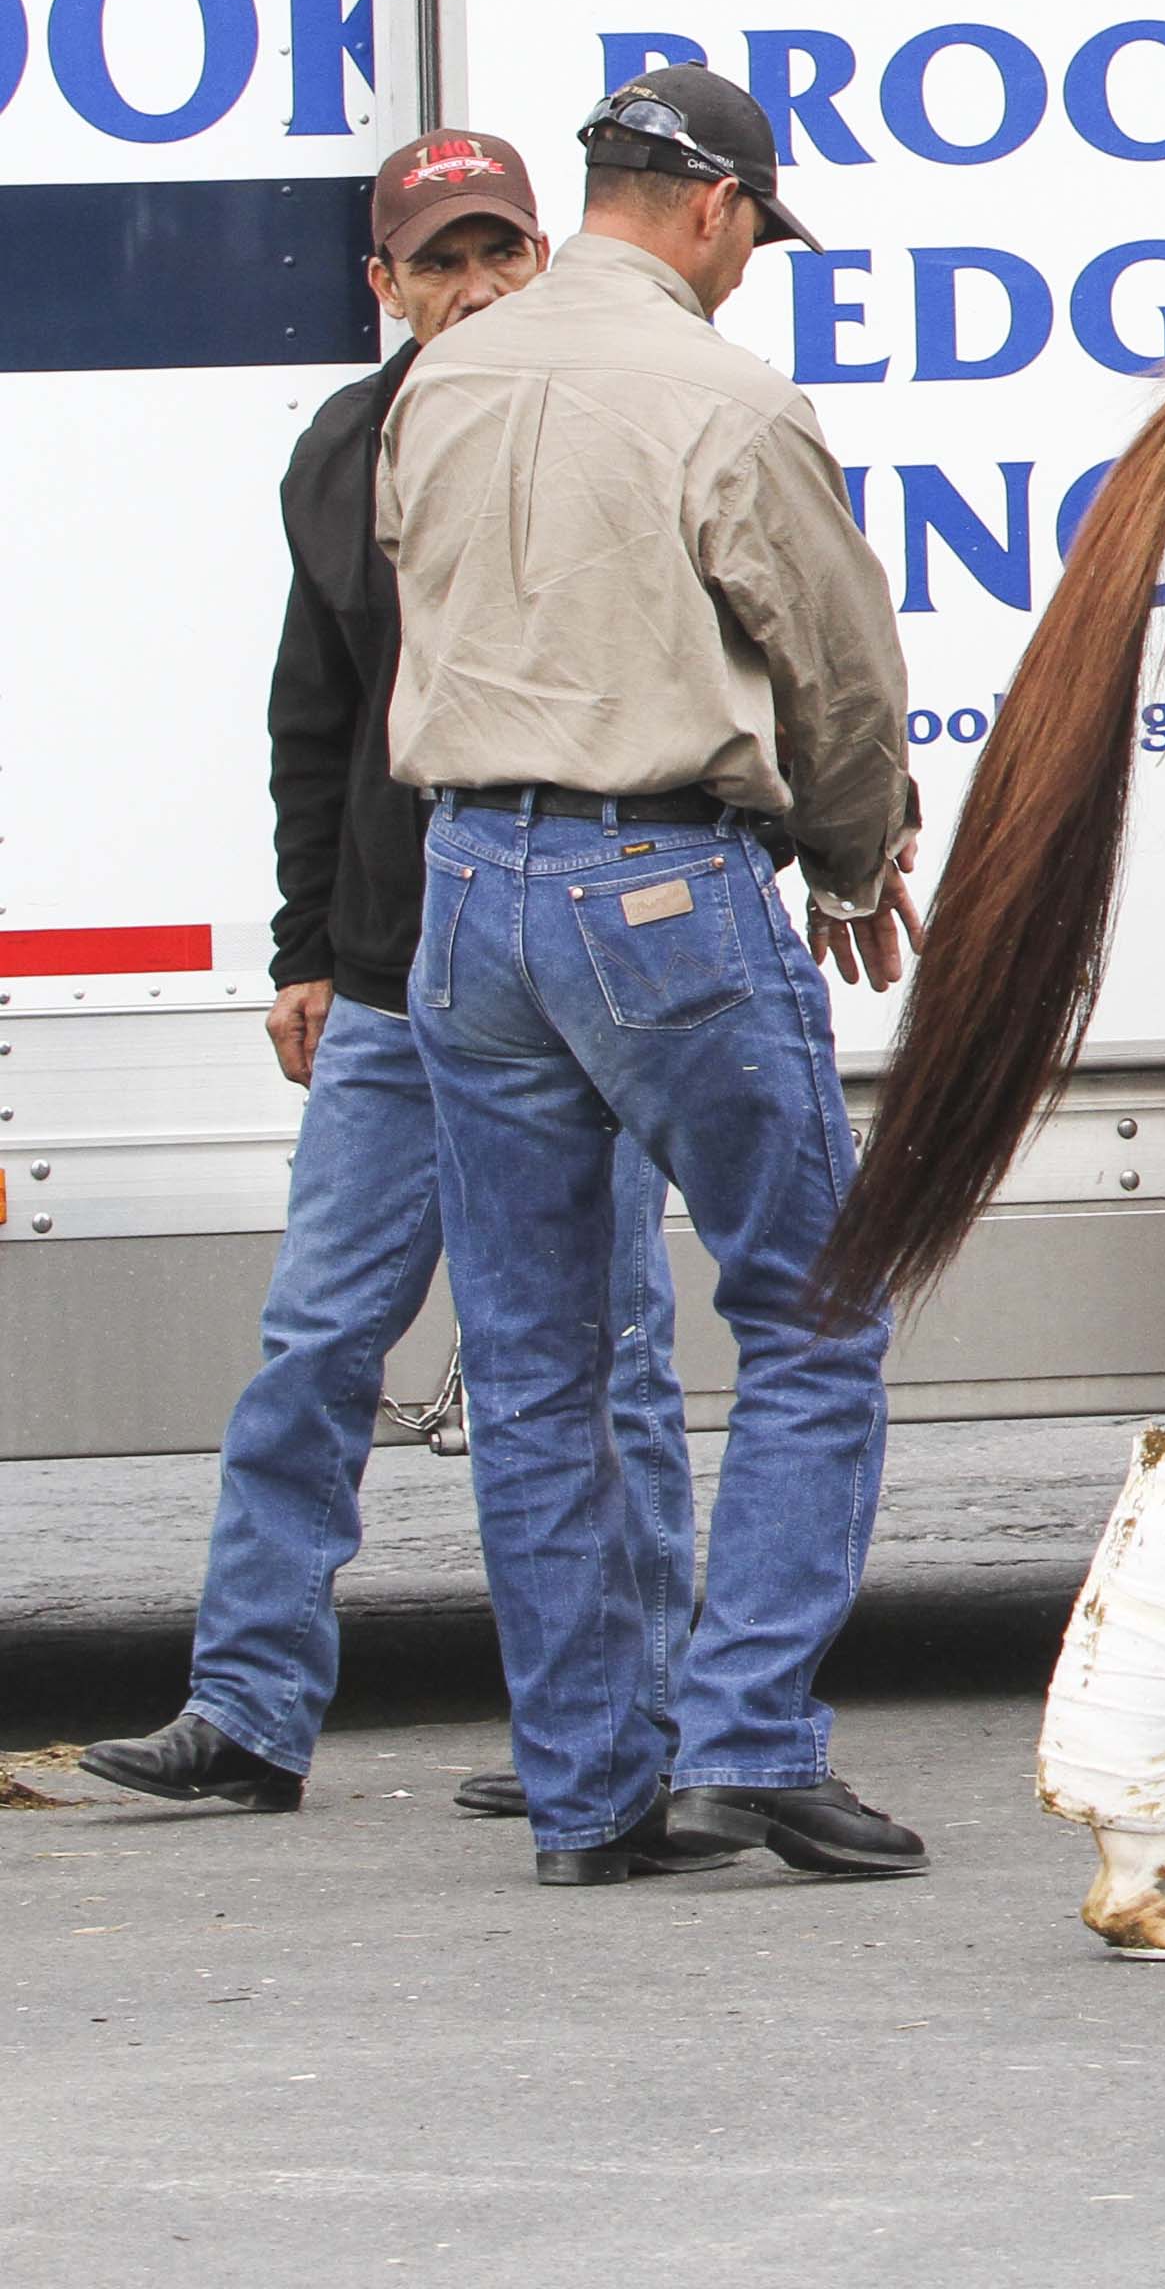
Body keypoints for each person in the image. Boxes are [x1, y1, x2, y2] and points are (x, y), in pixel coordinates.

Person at [78, 136, 698, 1823]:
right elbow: (315, 717)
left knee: (605, 1351)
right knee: (314, 1347)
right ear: (385, 288)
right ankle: (246, 1712)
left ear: (547, 259)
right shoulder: (341, 448)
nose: (474, 285)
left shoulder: (609, 422)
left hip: (566, 965)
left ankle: (619, 1724)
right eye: (440, 262)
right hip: (385, 973)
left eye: (501, 252)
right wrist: (300, 947)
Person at [382, 64, 926, 1887]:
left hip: (464, 887)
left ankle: (588, 1797)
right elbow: (837, 668)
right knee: (813, 1311)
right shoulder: (727, 397)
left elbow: (415, 585)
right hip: (659, 886)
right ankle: (749, 1739)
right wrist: (853, 854)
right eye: (757, 233)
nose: (751, 262)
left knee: (536, 1366)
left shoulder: (441, 372)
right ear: (712, 212)